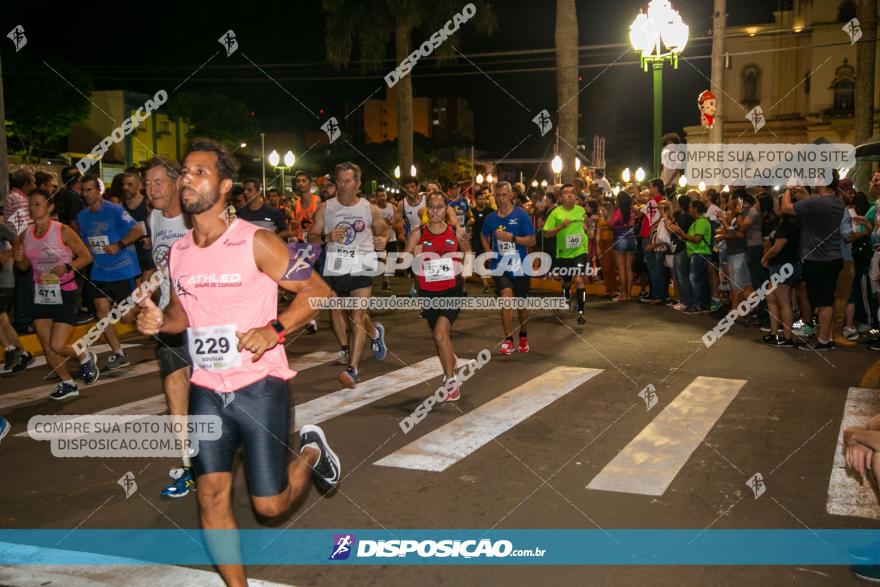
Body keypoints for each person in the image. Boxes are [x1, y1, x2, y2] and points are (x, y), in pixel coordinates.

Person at [135, 138, 339, 587]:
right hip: (207, 390)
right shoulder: (179, 253)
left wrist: (275, 330)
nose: (186, 179)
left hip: (260, 386)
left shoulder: (258, 241)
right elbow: (182, 315)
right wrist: (158, 321)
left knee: (269, 506)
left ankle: (311, 451)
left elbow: (319, 291)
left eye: (199, 172)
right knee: (210, 494)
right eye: (184, 172)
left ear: (224, 186)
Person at [308, 162, 389, 388]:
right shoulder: (326, 208)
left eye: (347, 181)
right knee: (352, 314)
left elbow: (384, 229)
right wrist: (327, 237)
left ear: (358, 183)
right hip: (336, 266)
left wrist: (382, 239)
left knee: (356, 316)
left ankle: (353, 369)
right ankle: (375, 332)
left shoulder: (368, 208)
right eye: (339, 181)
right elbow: (311, 236)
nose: (342, 186)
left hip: (362, 264)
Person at [143, 156, 197, 498]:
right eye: (148, 184)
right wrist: (147, 287)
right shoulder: (153, 218)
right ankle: (190, 466)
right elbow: (160, 267)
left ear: (177, 182)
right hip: (169, 319)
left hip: (205, 320)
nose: (151, 190)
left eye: (157, 182)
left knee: (214, 394)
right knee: (175, 388)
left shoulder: (195, 219)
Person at [14, 189, 98, 399]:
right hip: (42, 292)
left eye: (38, 204)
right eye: (30, 204)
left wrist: (67, 268)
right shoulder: (25, 234)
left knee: (57, 344)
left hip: (64, 291)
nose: (33, 208)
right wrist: (19, 260)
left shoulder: (62, 230)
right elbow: (24, 267)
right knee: (47, 345)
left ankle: (85, 356)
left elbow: (86, 257)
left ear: (50, 207)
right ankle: (68, 383)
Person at [404, 191, 471, 400]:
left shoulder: (455, 230)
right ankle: (450, 357)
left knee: (440, 334)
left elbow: (468, 252)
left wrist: (466, 272)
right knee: (441, 337)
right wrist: (413, 256)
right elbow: (403, 263)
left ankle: (451, 382)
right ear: (426, 209)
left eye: (439, 206)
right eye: (431, 207)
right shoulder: (418, 233)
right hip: (428, 293)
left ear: (446, 208)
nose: (435, 211)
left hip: (452, 290)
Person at [77, 175, 144, 370]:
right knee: (101, 312)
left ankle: (150, 312)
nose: (86, 194)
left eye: (90, 190)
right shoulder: (82, 216)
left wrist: (119, 244)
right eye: (83, 190)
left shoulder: (114, 210)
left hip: (122, 269)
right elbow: (86, 241)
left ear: (99, 191)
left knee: (126, 317)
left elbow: (138, 230)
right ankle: (118, 352)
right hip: (99, 271)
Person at [781, 173, 845, 351]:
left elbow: (786, 208)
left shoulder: (818, 202)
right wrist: (804, 195)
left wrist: (788, 188)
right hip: (833, 257)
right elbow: (812, 206)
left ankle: (823, 341)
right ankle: (828, 337)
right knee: (827, 300)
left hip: (819, 259)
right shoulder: (836, 201)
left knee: (822, 302)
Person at [481, 181, 536, 354]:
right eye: (498, 195)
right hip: (500, 265)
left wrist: (512, 238)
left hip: (519, 265)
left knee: (521, 304)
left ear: (511, 195)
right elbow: (483, 236)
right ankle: (508, 340)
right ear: (494, 197)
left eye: (505, 195)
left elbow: (532, 240)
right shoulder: (491, 218)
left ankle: (524, 334)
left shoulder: (522, 216)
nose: (502, 199)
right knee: (506, 296)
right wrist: (489, 252)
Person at [542, 183, 588, 324]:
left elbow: (584, 226)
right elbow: (546, 234)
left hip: (580, 250)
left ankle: (581, 312)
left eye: (572, 192)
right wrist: (561, 226)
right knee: (566, 282)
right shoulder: (555, 213)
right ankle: (566, 295)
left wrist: (589, 230)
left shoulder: (581, 210)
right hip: (563, 254)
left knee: (579, 279)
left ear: (575, 196)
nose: (569, 195)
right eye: (566, 193)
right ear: (561, 197)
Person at [761, 193, 801, 347]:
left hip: (784, 265)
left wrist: (765, 257)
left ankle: (787, 337)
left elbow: (778, 247)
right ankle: (774, 333)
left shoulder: (788, 225)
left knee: (784, 302)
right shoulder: (784, 223)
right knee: (771, 298)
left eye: (780, 204)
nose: (777, 207)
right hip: (781, 265)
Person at [0, 213, 32, 371]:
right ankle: (24, 353)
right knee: (3, 322)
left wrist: (6, 256)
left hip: (4, 281)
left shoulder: (1, 226)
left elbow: (18, 242)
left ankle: (10, 349)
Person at [668, 199, 712, 313]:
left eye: (691, 207)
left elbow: (697, 239)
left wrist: (682, 233)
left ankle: (697, 305)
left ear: (696, 209)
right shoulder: (697, 221)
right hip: (696, 252)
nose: (689, 209)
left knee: (694, 279)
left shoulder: (701, 221)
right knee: (699, 279)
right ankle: (704, 304)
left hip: (699, 252)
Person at [638, 178, 668, 304]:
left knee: (655, 268)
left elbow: (638, 197)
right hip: (651, 236)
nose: (649, 189)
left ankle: (658, 295)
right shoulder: (658, 200)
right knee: (655, 268)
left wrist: (634, 181)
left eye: (650, 186)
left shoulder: (657, 200)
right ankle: (657, 294)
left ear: (655, 188)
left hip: (651, 237)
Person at [121, 172, 156, 282]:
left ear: (140, 185)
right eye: (124, 185)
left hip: (147, 256)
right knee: (136, 292)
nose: (125, 187)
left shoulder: (149, 204)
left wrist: (153, 239)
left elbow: (162, 226)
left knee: (142, 292)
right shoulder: (119, 209)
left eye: (130, 184)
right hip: (130, 257)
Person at [664, 194, 693, 311]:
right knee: (679, 276)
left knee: (681, 276)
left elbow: (673, 230)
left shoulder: (684, 217)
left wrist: (665, 219)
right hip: (682, 248)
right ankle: (684, 300)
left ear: (680, 205)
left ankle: (686, 301)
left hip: (682, 249)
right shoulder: (686, 216)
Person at [609, 191, 637, 302]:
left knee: (621, 269)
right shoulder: (632, 210)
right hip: (631, 239)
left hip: (620, 239)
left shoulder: (618, 211)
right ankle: (628, 295)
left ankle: (623, 295)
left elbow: (610, 223)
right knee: (628, 269)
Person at [470, 189, 494, 293]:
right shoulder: (472, 212)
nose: (483, 201)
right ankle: (485, 284)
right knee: (480, 260)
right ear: (475, 200)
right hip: (476, 239)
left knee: (490, 260)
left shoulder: (490, 211)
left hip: (489, 239)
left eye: (484, 199)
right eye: (480, 199)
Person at [373, 187, 397, 293]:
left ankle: (385, 277)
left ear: (386, 196)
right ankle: (385, 280)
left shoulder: (392, 207)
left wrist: (391, 223)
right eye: (378, 196)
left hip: (392, 237)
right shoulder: (373, 209)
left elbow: (398, 223)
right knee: (383, 258)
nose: (381, 198)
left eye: (383, 195)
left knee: (391, 261)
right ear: (376, 197)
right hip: (379, 239)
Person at [54, 166, 85, 232]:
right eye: (82, 176)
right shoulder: (71, 198)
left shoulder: (67, 195)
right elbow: (73, 223)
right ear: (79, 180)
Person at [292, 171, 319, 243]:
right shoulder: (296, 204)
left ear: (310, 183)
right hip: (301, 241)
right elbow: (296, 225)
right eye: (298, 181)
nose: (300, 183)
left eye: (304, 181)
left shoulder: (318, 201)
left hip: (315, 241)